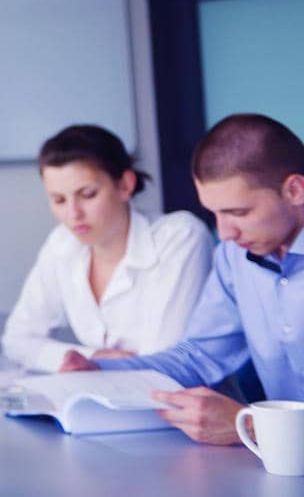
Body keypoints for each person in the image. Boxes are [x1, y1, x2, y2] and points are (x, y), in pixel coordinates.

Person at [60, 114, 304, 446]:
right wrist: (101, 371)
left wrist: (248, 427)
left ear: (294, 190)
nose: (224, 233)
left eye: (239, 213)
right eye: (214, 213)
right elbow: (198, 355)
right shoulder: (234, 257)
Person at [3, 125, 212, 372]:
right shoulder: (62, 243)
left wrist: (91, 364)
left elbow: (163, 361)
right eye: (59, 200)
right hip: (106, 399)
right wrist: (94, 356)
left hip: (178, 402)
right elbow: (17, 340)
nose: (73, 214)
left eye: (88, 194)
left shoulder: (180, 237)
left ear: (125, 185)